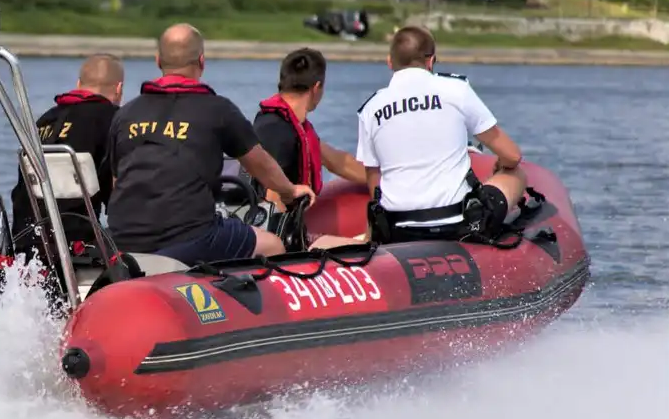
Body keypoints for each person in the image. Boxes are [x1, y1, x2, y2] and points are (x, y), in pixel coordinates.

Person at [105, 23, 316, 266]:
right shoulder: (218, 109)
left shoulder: (125, 114)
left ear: (158, 61)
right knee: (274, 245)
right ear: (202, 62)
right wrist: (290, 191)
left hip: (122, 240)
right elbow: (261, 165)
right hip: (189, 236)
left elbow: (118, 183)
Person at [356, 26, 527, 244]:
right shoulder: (456, 89)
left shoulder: (370, 109)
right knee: (516, 173)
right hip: (458, 224)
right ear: (431, 61)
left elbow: (374, 181)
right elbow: (512, 155)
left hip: (399, 229)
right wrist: (502, 164)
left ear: (390, 62)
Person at [250, 47, 369, 250]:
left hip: (286, 230)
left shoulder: (294, 126)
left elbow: (338, 161)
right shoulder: (277, 131)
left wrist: (385, 179)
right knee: (358, 246)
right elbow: (272, 198)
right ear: (316, 88)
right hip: (271, 239)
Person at [9, 53, 124, 260]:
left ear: (79, 84)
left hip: (26, 241)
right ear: (118, 89)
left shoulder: (44, 121)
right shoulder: (113, 120)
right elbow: (118, 197)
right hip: (77, 243)